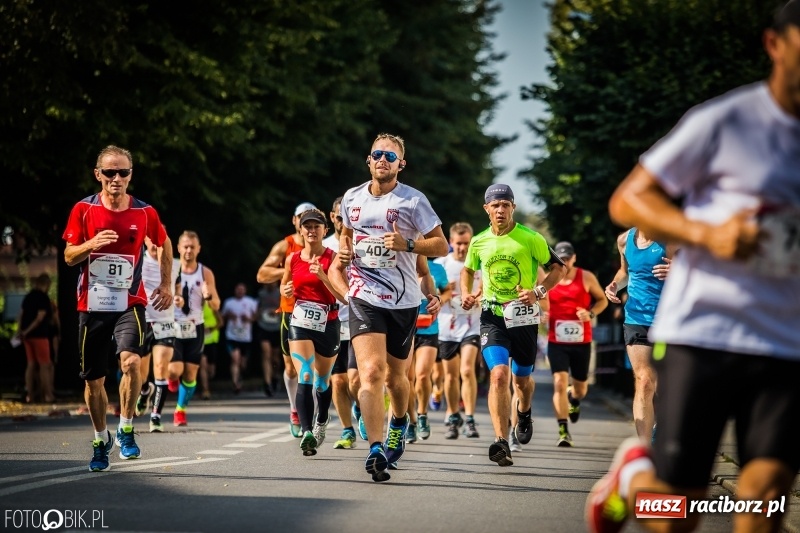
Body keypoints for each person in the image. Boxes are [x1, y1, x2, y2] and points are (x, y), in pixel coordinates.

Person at [586, 4, 800, 532]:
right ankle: (636, 474)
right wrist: (709, 233)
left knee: (766, 494)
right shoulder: (728, 121)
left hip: (785, 339)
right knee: (676, 510)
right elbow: (630, 200)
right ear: (775, 44)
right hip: (703, 330)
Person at [330, 132, 448, 482]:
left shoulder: (413, 201)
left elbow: (441, 246)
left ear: (401, 164)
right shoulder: (352, 198)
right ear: (368, 160)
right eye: (377, 154)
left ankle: (399, 420)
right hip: (364, 296)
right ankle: (377, 447)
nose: (383, 160)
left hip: (404, 302)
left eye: (390, 156)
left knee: (398, 378)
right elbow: (345, 245)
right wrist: (345, 259)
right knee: (371, 373)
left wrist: (408, 243)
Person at [62, 145, 173, 471]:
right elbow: (69, 256)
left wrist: (166, 283)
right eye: (109, 172)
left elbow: (164, 242)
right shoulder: (83, 209)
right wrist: (90, 245)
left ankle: (125, 428)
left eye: (123, 172)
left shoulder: (144, 212)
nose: (116, 178)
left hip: (130, 303)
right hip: (92, 305)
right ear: (98, 175)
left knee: (131, 362)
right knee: (93, 382)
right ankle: (101, 438)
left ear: (130, 176)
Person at [461, 184, 566, 467]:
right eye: (495, 205)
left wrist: (539, 292)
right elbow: (468, 269)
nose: (500, 210)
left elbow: (559, 269)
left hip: (523, 317)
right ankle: (501, 440)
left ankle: (525, 411)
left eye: (506, 204)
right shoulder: (479, 241)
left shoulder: (531, 238)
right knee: (498, 376)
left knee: (522, 380)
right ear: (487, 209)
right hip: (492, 316)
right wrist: (466, 293)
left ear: (513, 208)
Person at [281, 208, 347, 456]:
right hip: (299, 322)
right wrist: (286, 291)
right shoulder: (293, 258)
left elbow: (344, 296)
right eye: (307, 226)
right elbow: (285, 286)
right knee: (305, 376)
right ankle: (307, 431)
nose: (311, 230)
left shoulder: (334, 258)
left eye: (316, 226)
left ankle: (322, 419)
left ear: (324, 230)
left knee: (322, 381)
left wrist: (323, 276)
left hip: (328, 323)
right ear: (301, 230)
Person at [604, 228, 674, 442]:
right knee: (644, 381)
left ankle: (663, 423)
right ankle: (644, 450)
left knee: (667, 385)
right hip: (637, 318)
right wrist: (614, 286)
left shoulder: (672, 237)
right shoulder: (624, 240)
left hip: (670, 320)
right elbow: (625, 271)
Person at [256, 201, 317, 437]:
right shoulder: (286, 246)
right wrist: (292, 271)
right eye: (302, 219)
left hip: (318, 311)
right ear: (295, 221)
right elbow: (262, 274)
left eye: (311, 220)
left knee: (312, 367)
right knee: (291, 367)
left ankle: (309, 412)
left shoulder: (323, 247)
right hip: (291, 311)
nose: (307, 225)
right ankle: (294, 409)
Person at [545, 241, 608, 448]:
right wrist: (543, 313)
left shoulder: (586, 277)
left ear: (574, 258)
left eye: (568, 258)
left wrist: (590, 313)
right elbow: (539, 299)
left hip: (581, 341)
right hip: (556, 341)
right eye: (561, 258)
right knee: (559, 383)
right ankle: (563, 431)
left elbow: (602, 300)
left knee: (580, 389)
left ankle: (574, 398)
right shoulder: (549, 278)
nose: (565, 262)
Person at [435, 222, 482, 439]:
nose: (462, 248)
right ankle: (454, 416)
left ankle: (470, 418)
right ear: (451, 243)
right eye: (458, 243)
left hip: (472, 324)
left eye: (466, 243)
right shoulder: (441, 264)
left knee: (466, 370)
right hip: (447, 327)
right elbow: (430, 293)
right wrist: (445, 291)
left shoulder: (479, 264)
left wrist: (478, 298)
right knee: (451, 377)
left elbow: (488, 290)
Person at [169, 231, 221, 427]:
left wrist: (208, 296)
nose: (189, 250)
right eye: (185, 246)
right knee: (175, 371)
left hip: (195, 327)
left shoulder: (205, 272)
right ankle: (171, 378)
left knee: (190, 374)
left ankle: (180, 410)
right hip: (173, 325)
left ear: (198, 249)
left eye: (192, 246)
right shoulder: (172, 269)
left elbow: (217, 304)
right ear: (179, 248)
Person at [323, 196, 362, 450]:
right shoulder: (324, 246)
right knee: (337, 381)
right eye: (338, 216)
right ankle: (347, 430)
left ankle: (362, 406)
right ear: (332, 217)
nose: (341, 220)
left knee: (356, 379)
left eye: (345, 217)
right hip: (333, 322)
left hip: (360, 318)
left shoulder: (361, 241)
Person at [134, 234, 181, 432]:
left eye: (158, 238)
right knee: (141, 373)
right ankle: (145, 390)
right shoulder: (137, 261)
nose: (154, 243)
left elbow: (178, 290)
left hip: (165, 322)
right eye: (150, 239)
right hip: (142, 321)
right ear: (145, 241)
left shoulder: (174, 264)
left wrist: (179, 298)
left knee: (161, 367)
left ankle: (155, 416)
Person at [412, 258, 451, 440]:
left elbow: (447, 290)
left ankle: (422, 415)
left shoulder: (436, 268)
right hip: (404, 328)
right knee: (405, 377)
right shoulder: (400, 262)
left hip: (429, 328)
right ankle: (409, 419)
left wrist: (439, 301)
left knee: (422, 375)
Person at [17, 272, 56, 403]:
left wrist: (21, 331)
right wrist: (28, 330)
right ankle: (47, 395)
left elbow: (21, 315)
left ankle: (30, 395)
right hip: (40, 335)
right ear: (46, 284)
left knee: (31, 365)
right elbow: (39, 318)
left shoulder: (28, 297)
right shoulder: (43, 298)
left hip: (27, 337)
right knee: (45, 365)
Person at [222, 282, 258, 393]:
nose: (240, 291)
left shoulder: (251, 302)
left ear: (245, 291)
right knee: (235, 359)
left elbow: (256, 317)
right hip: (232, 336)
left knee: (242, 363)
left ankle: (240, 376)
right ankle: (235, 383)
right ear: (235, 290)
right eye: (238, 289)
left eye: (242, 289)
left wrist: (249, 319)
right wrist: (229, 316)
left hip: (245, 337)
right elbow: (222, 316)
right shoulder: (229, 302)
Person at [254, 282, 281, 397]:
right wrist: (258, 314)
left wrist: (276, 312)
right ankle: (267, 383)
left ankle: (274, 376)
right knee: (266, 354)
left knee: (275, 358)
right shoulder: (261, 294)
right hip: (264, 326)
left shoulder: (281, 292)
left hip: (276, 327)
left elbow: (286, 307)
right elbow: (256, 308)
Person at [200, 300, 224, 400]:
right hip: (200, 342)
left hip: (212, 340)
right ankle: (206, 390)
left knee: (211, 370)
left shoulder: (210, 305)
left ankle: (208, 383)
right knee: (203, 366)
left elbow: (221, 322)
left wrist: (211, 328)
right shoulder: (193, 306)